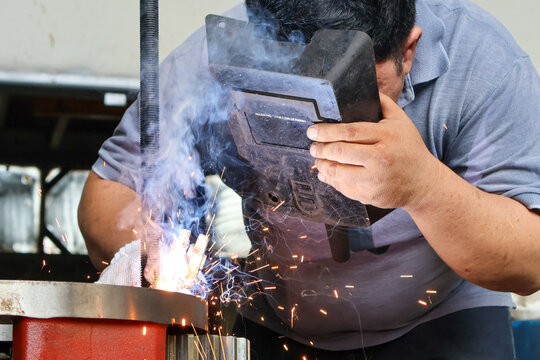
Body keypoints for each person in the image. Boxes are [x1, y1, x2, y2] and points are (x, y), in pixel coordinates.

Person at [79, 0, 540, 358]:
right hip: (279, 326)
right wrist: (164, 254)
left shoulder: (481, 60)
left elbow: (529, 260)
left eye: (357, 96)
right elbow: (108, 196)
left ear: (409, 50)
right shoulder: (218, 59)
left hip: (441, 319)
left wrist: (424, 188)